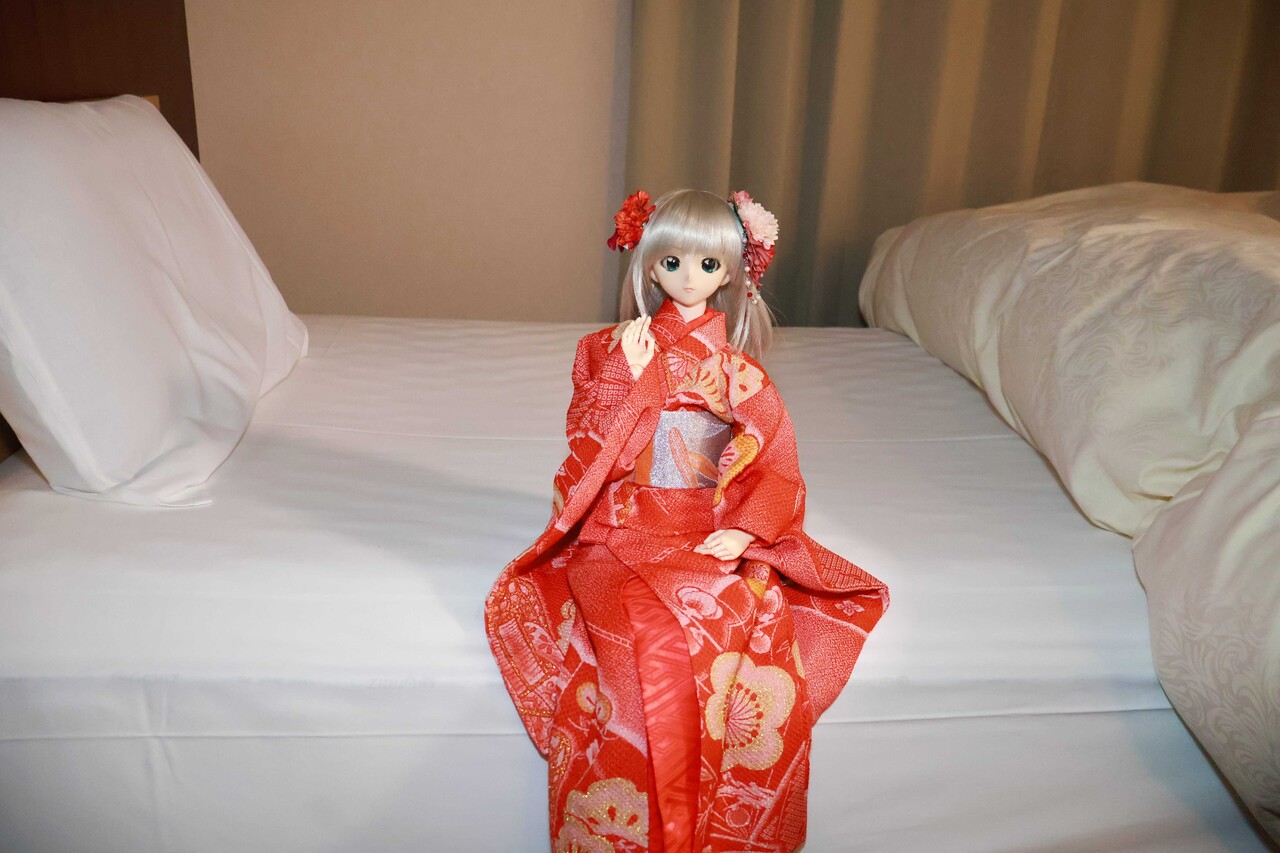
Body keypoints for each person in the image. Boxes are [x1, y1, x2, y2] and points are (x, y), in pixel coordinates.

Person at [486, 188, 888, 852]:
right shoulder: (608, 351)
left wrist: (748, 528)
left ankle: (710, 821)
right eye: (672, 262)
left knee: (737, 616)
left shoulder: (738, 372)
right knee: (630, 639)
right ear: (650, 264)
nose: (689, 277)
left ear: (729, 272)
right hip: (620, 527)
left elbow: (774, 463)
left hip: (705, 527)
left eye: (707, 264)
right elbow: (585, 443)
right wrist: (626, 375)